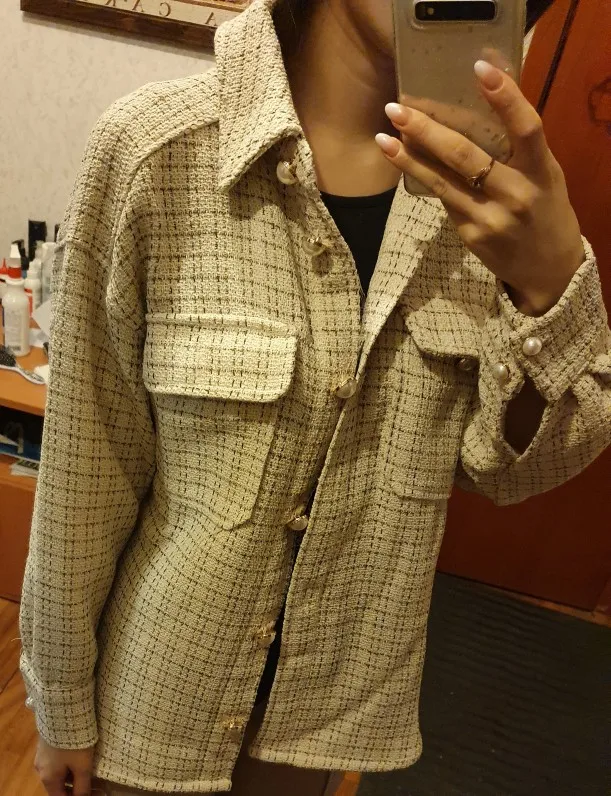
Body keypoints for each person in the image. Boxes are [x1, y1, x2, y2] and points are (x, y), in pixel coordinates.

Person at [19, 1, 611, 795]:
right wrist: (60, 703)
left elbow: (512, 472)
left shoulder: (500, 207)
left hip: (323, 717)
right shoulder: (157, 151)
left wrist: (550, 289)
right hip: (152, 702)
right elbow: (86, 473)